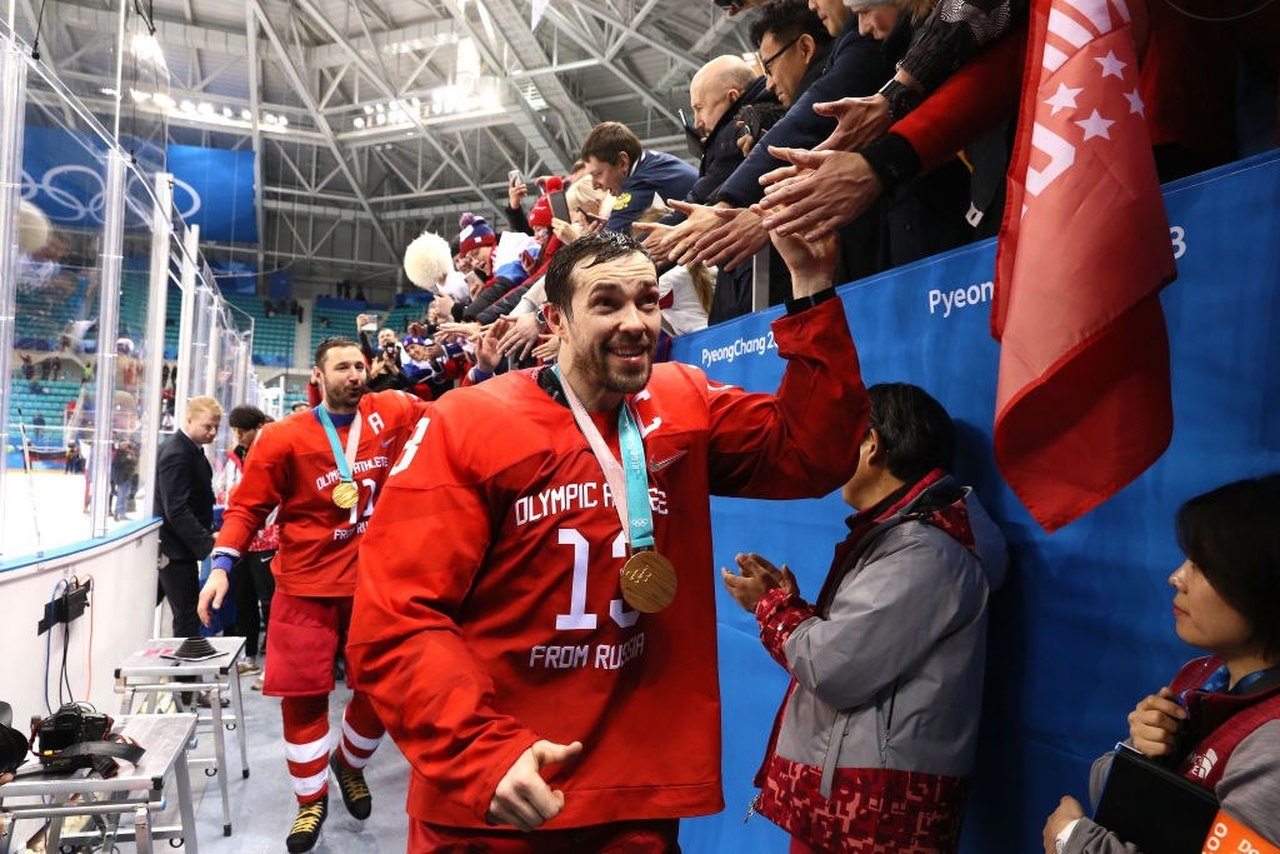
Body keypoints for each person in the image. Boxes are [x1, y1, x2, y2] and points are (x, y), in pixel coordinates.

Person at [348, 228, 869, 850]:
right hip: (497, 798)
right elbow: (397, 616)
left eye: (647, 300)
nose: (635, 321)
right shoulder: (468, 423)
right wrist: (477, 751)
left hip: (635, 794)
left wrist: (810, 291)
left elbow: (812, 454)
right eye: (606, 303)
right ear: (556, 321)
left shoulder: (683, 403)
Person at [722, 382, 1007, 852]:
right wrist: (788, 604)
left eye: (842, 440)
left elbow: (833, 667)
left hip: (874, 825)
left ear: (872, 444)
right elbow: (859, 650)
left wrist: (770, 606)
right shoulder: (907, 541)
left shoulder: (923, 551)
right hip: (856, 817)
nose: (831, 457)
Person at [197, 337, 430, 854]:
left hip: (376, 582)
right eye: (342, 366)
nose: (354, 373)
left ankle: (348, 763)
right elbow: (246, 509)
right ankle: (310, 802)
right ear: (318, 377)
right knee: (302, 698)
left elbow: (452, 417)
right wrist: (221, 566)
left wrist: (483, 370)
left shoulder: (394, 411)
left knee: (382, 688)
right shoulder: (282, 438)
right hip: (305, 585)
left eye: (360, 365)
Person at [1044, 474, 1280, 854]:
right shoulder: (1200, 676)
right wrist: (1144, 751)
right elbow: (1108, 789)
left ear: (1264, 584)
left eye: (1204, 566)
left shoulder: (1273, 743)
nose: (1176, 578)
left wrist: (1072, 840)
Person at [218, 405, 279, 684]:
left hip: (269, 540)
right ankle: (250, 658)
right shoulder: (236, 456)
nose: (239, 437)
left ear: (258, 428)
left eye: (243, 431)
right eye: (236, 432)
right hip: (242, 541)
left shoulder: (273, 453)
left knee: (270, 604)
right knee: (244, 602)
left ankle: (274, 666)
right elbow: (224, 489)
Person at [154, 396, 221, 638]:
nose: (213, 432)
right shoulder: (177, 453)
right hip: (174, 550)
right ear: (189, 420)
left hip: (178, 548)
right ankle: (185, 675)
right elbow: (177, 509)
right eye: (207, 426)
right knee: (187, 615)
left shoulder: (191, 450)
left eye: (216, 427)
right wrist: (207, 542)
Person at [581, 122, 698, 234]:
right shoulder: (652, 164)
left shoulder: (641, 183)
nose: (594, 185)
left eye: (598, 174)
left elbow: (608, 251)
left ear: (622, 162)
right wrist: (611, 225)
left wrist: (571, 237)